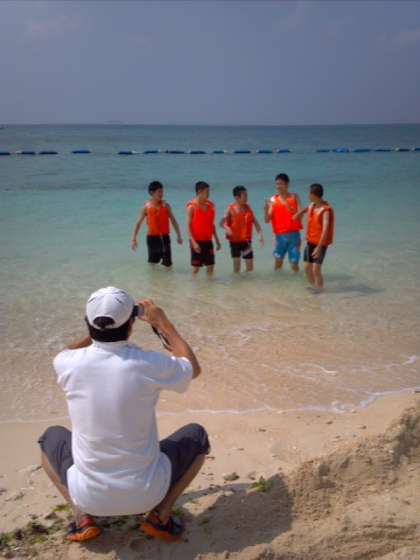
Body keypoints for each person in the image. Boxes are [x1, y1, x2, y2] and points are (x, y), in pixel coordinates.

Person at [38, 287, 208, 543]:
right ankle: (160, 515)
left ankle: (81, 516)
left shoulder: (67, 363)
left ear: (88, 322)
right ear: (131, 324)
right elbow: (192, 369)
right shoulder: (148, 363)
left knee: (49, 438)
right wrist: (163, 324)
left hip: (88, 496)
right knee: (197, 436)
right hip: (147, 493)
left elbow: (66, 351)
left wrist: (100, 329)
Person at [131, 181, 183, 267]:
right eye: (159, 192)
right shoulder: (146, 207)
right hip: (152, 239)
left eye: (162, 192)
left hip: (164, 238)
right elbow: (138, 223)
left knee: (167, 265)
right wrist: (133, 239)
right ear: (152, 193)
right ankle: (153, 276)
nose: (162, 194)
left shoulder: (166, 206)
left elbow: (173, 221)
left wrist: (179, 236)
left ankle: (167, 276)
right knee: (152, 264)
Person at [295, 183, 335, 291]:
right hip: (310, 241)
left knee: (316, 269)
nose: (308, 195)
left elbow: (325, 230)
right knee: (307, 268)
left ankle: (319, 289)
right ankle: (315, 287)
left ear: (314, 195)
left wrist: (319, 247)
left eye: (309, 193)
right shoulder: (312, 205)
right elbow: (307, 209)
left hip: (320, 243)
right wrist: (298, 214)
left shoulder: (325, 211)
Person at [220, 185, 264, 273]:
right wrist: (226, 228)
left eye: (247, 195)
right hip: (234, 242)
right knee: (237, 267)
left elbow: (256, 223)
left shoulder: (248, 208)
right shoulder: (230, 209)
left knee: (250, 268)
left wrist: (260, 235)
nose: (246, 198)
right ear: (237, 197)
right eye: (244, 196)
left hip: (246, 242)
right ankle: (237, 281)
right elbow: (221, 223)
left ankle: (247, 281)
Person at [264, 173, 303, 272]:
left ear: (287, 184)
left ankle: (296, 281)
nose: (278, 186)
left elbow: (301, 214)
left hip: (294, 236)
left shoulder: (294, 196)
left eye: (280, 184)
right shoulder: (272, 200)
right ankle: (277, 282)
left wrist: (290, 209)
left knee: (294, 264)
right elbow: (267, 220)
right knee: (278, 263)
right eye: (277, 184)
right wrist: (265, 209)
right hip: (280, 236)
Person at [186, 181, 221, 276]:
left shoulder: (211, 206)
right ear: (199, 192)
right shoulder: (191, 207)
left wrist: (217, 240)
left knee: (210, 266)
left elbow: (211, 224)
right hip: (196, 241)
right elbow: (188, 226)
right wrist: (194, 243)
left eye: (209, 191)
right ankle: (192, 285)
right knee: (196, 269)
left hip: (208, 241)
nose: (209, 194)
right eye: (207, 192)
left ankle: (208, 285)